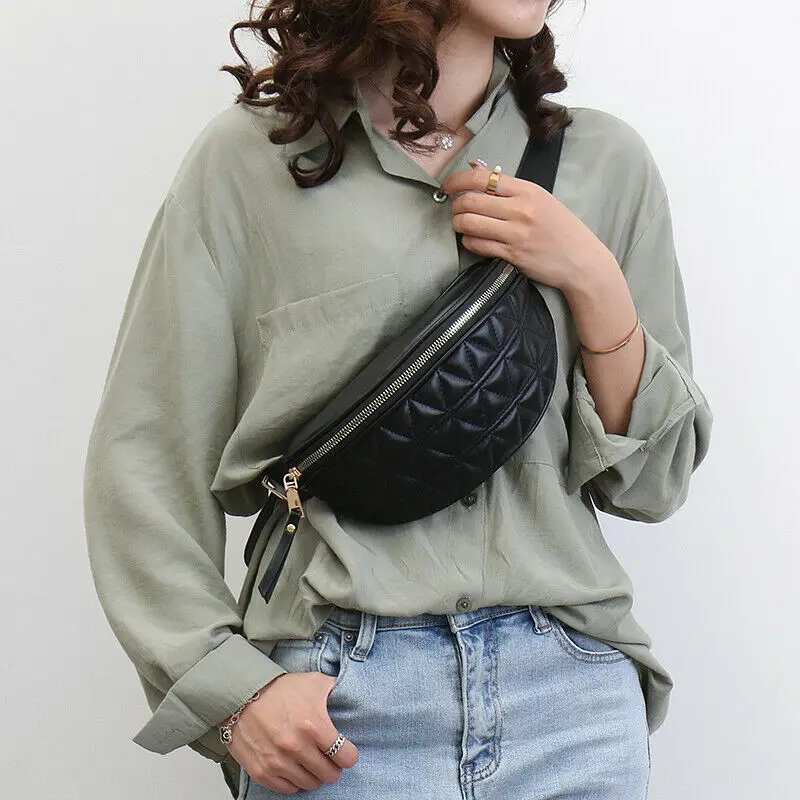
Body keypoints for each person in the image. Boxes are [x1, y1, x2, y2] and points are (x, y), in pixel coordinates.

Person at [83, 1, 713, 798]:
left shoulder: (605, 162)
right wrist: (231, 693)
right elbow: (146, 455)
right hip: (343, 705)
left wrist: (593, 280)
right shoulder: (251, 161)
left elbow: (651, 484)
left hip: (571, 699)